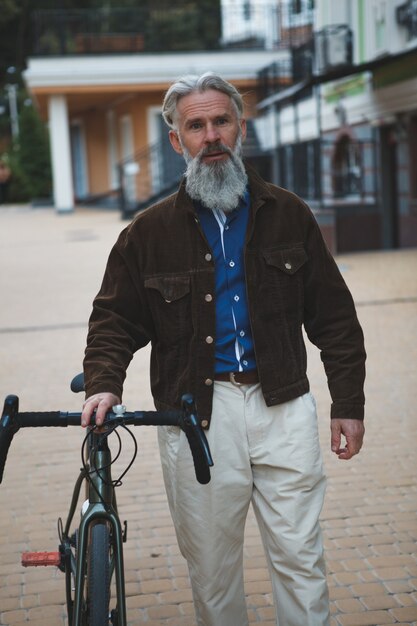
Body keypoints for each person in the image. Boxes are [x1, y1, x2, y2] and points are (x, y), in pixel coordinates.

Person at [82, 72, 366, 626]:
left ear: (240, 128)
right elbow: (114, 318)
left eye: (221, 121)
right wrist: (104, 383)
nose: (210, 135)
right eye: (195, 125)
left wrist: (348, 403)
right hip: (197, 419)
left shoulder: (288, 213)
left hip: (283, 405)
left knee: (301, 559)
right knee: (212, 572)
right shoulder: (147, 233)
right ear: (176, 140)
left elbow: (334, 316)